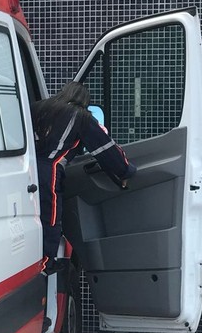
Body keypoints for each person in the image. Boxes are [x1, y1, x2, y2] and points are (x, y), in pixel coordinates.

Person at [32, 82, 136, 275]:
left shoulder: (39, 107)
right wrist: (125, 172)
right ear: (84, 102)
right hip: (50, 169)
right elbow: (104, 148)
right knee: (50, 215)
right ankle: (46, 262)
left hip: (24, 166)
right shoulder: (81, 117)